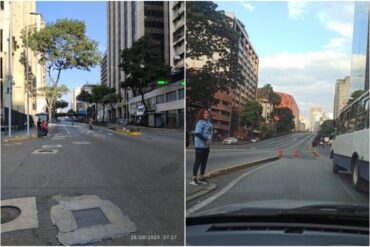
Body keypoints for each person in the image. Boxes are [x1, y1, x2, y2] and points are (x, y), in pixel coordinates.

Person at [191, 109, 213, 186]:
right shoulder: (200, 122)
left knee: (204, 162)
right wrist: (205, 140)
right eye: (205, 113)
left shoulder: (209, 122)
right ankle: (194, 179)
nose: (207, 114)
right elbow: (197, 133)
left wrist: (208, 141)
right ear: (201, 114)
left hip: (207, 146)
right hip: (200, 145)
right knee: (198, 161)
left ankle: (201, 177)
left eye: (207, 113)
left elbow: (209, 132)